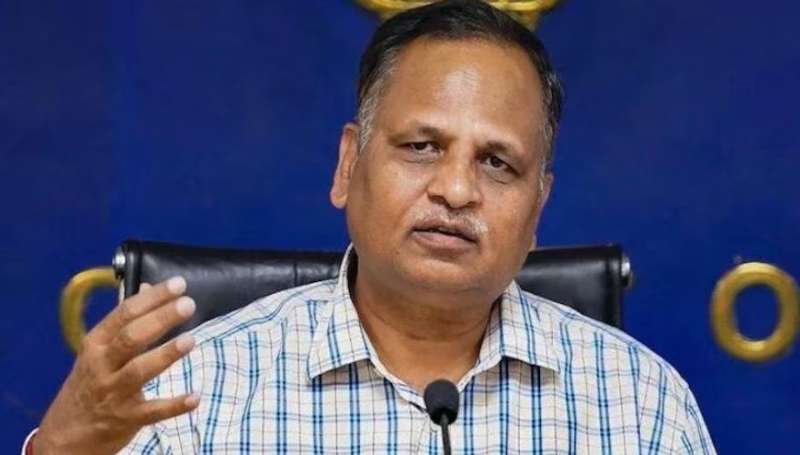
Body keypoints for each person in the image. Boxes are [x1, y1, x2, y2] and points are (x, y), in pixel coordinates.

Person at [25, 0, 716, 453]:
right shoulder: (199, 393)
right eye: (421, 146)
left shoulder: (638, 404)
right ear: (347, 165)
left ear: (537, 208)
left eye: (497, 163)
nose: (455, 189)